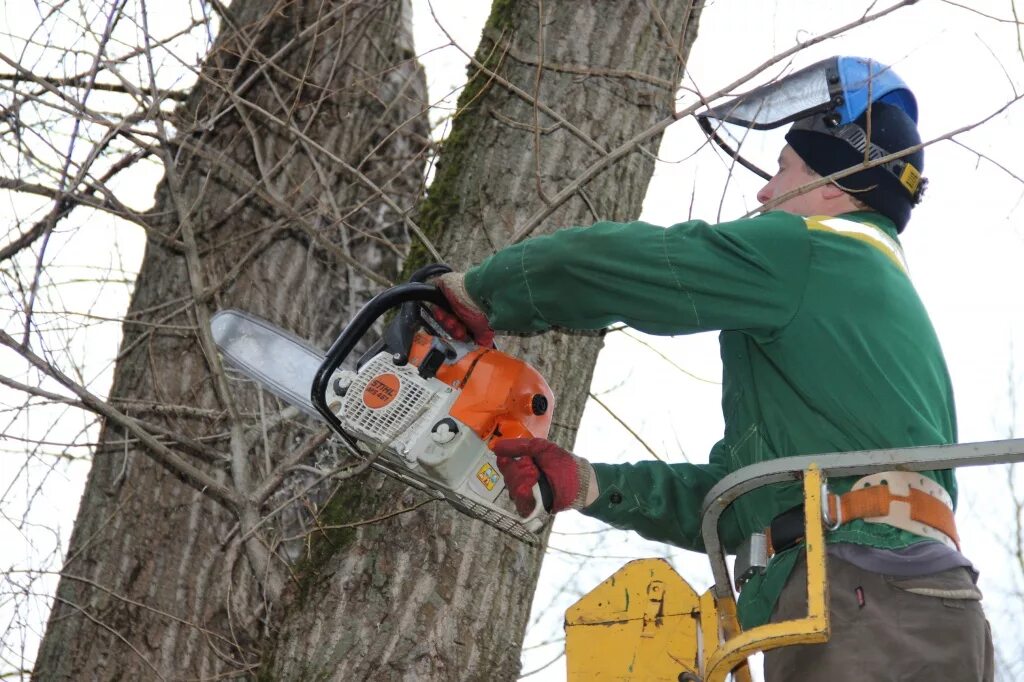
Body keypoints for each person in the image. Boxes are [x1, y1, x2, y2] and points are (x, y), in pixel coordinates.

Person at [431, 58, 993, 681]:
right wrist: (588, 483)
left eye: (783, 171)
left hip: (866, 596)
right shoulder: (860, 306)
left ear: (834, 186)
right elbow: (738, 499)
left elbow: (633, 264)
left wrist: (480, 292)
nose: (763, 193)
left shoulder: (813, 251)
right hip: (901, 600)